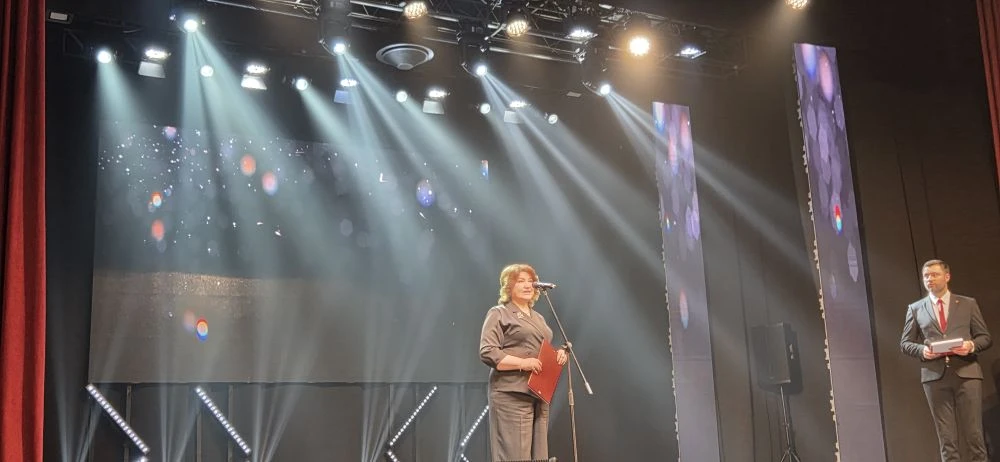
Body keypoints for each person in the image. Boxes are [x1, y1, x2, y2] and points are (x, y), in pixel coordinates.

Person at [901, 259, 992, 461]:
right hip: (935, 378)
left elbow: (985, 337)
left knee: (974, 435)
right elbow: (905, 343)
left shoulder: (967, 303)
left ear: (947, 276)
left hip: (967, 374)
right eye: (926, 276)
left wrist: (970, 345)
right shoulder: (916, 308)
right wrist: (923, 351)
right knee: (947, 439)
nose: (929, 279)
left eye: (934, 275)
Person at [480, 263, 568, 462]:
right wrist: (523, 363)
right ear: (509, 286)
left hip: (538, 393)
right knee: (516, 454)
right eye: (521, 281)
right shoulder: (499, 313)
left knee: (539, 455)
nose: (528, 285)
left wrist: (559, 354)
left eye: (531, 281)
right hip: (512, 393)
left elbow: (540, 350)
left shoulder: (538, 318)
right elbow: (488, 352)